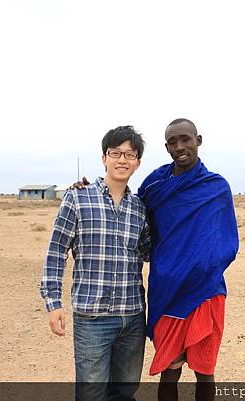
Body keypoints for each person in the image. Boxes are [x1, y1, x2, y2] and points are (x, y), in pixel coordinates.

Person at [40, 126, 151, 401]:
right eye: (116, 153)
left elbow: (149, 252)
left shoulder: (139, 208)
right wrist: (53, 303)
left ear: (137, 162)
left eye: (130, 154)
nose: (122, 160)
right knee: (91, 394)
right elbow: (56, 252)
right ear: (104, 158)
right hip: (93, 318)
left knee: (124, 394)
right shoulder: (77, 198)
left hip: (133, 316)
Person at [137, 118, 239, 401]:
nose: (180, 146)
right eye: (173, 142)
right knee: (171, 368)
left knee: (205, 371)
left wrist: (202, 267)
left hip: (205, 291)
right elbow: (133, 214)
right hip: (168, 288)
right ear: (167, 146)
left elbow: (227, 240)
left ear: (198, 141)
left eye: (186, 139)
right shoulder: (155, 185)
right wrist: (89, 190)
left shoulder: (215, 187)